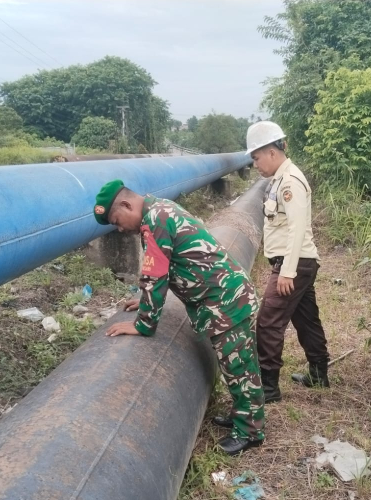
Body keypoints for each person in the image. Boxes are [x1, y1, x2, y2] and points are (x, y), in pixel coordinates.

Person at [93, 180, 265, 456]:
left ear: (126, 205)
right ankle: (243, 414)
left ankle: (250, 432)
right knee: (234, 365)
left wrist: (143, 324)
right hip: (221, 299)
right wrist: (145, 301)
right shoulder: (158, 211)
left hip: (226, 301)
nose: (120, 229)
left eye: (117, 221)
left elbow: (155, 274)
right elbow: (165, 268)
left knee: (240, 366)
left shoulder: (156, 220)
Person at [245, 121, 331, 403]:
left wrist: (287, 271)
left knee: (268, 322)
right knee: (306, 320)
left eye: (256, 157)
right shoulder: (279, 179)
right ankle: (318, 374)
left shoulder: (290, 182)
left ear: (272, 152)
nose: (255, 164)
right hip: (298, 263)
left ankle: (268, 388)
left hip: (294, 264)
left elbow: (296, 229)